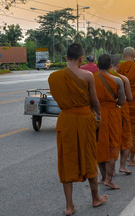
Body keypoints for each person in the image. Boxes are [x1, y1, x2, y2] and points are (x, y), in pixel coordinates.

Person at [48, 43, 108, 215]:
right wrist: (98, 114)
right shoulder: (87, 75)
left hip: (66, 120)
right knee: (89, 156)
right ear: (82, 58)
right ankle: (95, 198)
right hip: (84, 119)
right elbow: (94, 101)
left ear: (66, 57)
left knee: (66, 161)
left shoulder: (53, 77)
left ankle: (69, 206)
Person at [94, 54, 126, 189]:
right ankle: (109, 179)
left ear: (97, 65)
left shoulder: (91, 79)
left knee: (99, 145)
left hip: (97, 115)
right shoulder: (117, 81)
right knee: (114, 145)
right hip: (113, 113)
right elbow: (123, 101)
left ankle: (102, 177)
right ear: (110, 66)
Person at [110, 54, 134, 175]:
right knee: (124, 138)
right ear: (118, 65)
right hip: (121, 110)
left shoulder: (97, 78)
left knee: (110, 139)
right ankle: (122, 166)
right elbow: (129, 98)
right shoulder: (123, 79)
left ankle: (111, 170)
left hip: (107, 112)